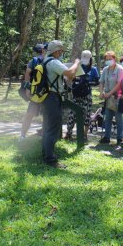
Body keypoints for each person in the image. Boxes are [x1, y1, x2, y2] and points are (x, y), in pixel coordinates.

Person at [41, 40, 80, 168]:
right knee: (53, 128)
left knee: (48, 127)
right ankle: (50, 160)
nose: (62, 53)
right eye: (61, 51)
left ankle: (46, 154)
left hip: (46, 97)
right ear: (57, 51)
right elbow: (70, 73)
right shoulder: (54, 62)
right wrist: (76, 63)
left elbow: (66, 77)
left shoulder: (45, 61)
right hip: (52, 97)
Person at [66, 50, 99, 140]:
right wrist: (76, 79)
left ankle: (84, 135)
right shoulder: (77, 67)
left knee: (86, 114)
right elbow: (70, 77)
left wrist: (88, 82)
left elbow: (96, 82)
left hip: (86, 94)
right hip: (76, 93)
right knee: (72, 114)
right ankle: (68, 133)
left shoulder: (93, 69)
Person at [20, 43, 46, 139]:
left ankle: (23, 135)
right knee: (44, 115)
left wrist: (27, 88)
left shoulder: (34, 61)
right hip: (45, 92)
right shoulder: (40, 61)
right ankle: (42, 134)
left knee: (29, 114)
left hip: (35, 92)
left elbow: (27, 74)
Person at [99, 51, 123, 145]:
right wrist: (101, 92)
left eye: (110, 59)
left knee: (118, 118)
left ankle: (120, 138)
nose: (108, 61)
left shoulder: (120, 69)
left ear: (114, 59)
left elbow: (119, 83)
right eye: (107, 59)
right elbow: (101, 82)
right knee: (107, 117)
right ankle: (107, 137)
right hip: (108, 97)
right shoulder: (105, 69)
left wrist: (110, 93)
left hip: (117, 97)